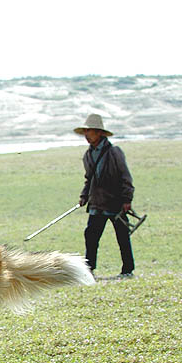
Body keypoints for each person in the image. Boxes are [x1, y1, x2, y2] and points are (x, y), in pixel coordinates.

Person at [75, 113, 135, 278]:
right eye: (86, 132)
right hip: (96, 203)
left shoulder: (114, 152)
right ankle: (89, 270)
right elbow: (89, 179)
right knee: (91, 236)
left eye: (90, 131)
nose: (87, 135)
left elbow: (125, 177)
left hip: (115, 202)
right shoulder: (88, 155)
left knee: (122, 236)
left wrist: (127, 199)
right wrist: (84, 195)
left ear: (99, 133)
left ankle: (128, 270)